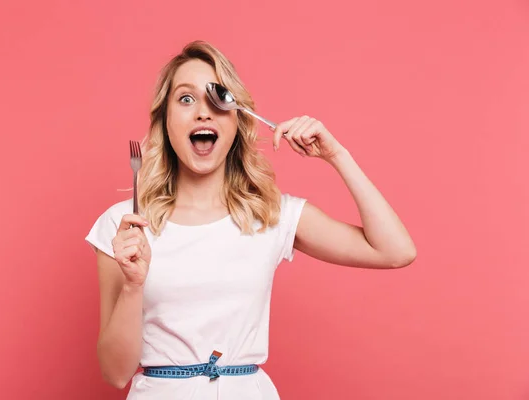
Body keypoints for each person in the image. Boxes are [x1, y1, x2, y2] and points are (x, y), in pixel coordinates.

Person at [85, 40, 416, 400]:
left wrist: (337, 155)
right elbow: (115, 373)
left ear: (237, 120)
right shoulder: (126, 227)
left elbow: (395, 251)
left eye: (217, 99)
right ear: (165, 122)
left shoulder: (271, 215)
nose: (203, 113)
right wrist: (133, 286)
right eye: (185, 99)